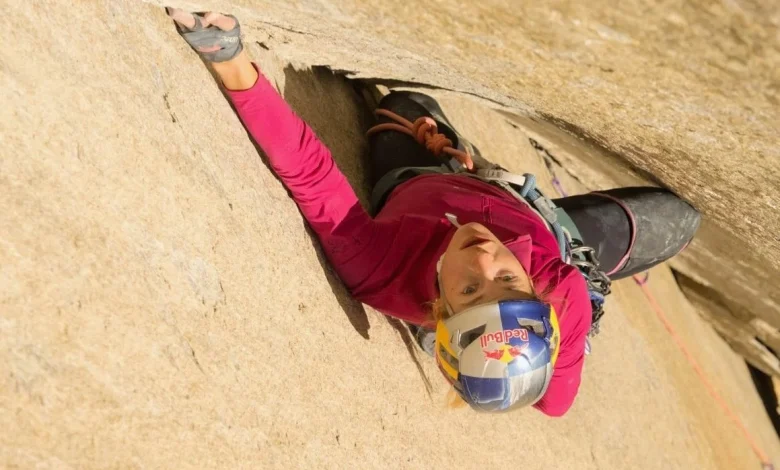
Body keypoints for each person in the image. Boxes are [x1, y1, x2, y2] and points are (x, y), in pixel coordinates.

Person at [166, 9, 701, 416]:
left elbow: (309, 172)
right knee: (677, 215)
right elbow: (554, 401)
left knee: (400, 109)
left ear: (438, 310)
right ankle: (464, 163)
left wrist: (229, 58)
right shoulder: (558, 297)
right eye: (509, 284)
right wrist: (517, 359)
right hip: (545, 229)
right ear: (533, 292)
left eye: (469, 291)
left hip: (420, 185)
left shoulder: (379, 267)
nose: (486, 259)